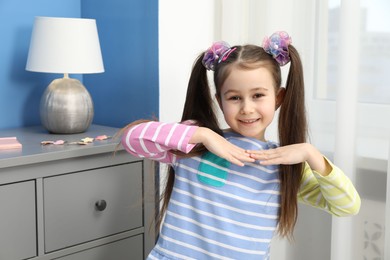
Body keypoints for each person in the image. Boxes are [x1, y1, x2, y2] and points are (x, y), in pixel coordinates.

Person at [120, 31, 361, 260]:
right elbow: (132, 139)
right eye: (234, 97)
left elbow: (347, 206)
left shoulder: (283, 165)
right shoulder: (194, 144)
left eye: (258, 95)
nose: (246, 108)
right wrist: (204, 135)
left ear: (278, 98)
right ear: (220, 101)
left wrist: (311, 154)